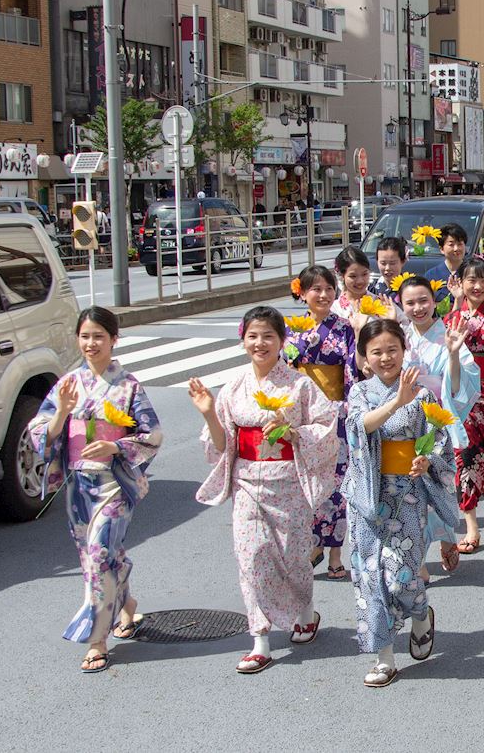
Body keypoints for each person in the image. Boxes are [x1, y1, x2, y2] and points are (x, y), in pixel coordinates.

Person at [188, 306, 340, 674]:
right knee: (251, 559)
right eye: (253, 336)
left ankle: (306, 611)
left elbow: (326, 428)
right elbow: (221, 445)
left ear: (282, 340)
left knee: (294, 556)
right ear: (243, 340)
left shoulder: (299, 385)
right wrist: (208, 412)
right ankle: (260, 639)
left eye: (268, 336)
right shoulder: (234, 387)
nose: (260, 343)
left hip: (288, 481)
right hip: (247, 483)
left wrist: (293, 432)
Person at [28, 306, 163, 673]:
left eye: (99, 336)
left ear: (114, 339)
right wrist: (61, 412)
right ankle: (127, 604)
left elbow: (152, 433)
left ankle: (96, 640)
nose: (91, 343)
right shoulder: (68, 384)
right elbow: (39, 434)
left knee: (99, 555)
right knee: (97, 556)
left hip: (113, 484)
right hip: (78, 486)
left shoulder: (128, 385)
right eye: (85, 336)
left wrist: (115, 446)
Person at [343, 319, 460, 687]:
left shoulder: (423, 396)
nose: (385, 357)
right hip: (367, 496)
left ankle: (421, 614)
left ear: (403, 350)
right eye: (376, 351)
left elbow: (440, 442)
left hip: (406, 493)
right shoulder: (360, 392)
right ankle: (384, 658)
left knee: (401, 577)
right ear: (365, 357)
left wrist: (426, 460)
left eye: (392, 349)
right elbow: (359, 428)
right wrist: (397, 402)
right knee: (369, 577)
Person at [399, 276, 479, 576]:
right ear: (401, 306)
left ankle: (445, 536)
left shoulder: (447, 334)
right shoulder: (399, 338)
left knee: (440, 486)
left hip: (437, 423)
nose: (418, 308)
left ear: (435, 301)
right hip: (405, 422)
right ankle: (418, 558)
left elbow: (460, 386)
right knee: (409, 491)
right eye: (410, 303)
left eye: (424, 300)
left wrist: (454, 353)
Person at [285, 265, 359, 582]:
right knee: (304, 483)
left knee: (336, 484)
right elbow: (282, 371)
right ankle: (311, 544)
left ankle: (335, 554)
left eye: (329, 288)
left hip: (334, 413)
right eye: (316, 289)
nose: (324, 294)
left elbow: (352, 371)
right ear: (302, 293)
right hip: (302, 416)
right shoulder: (291, 329)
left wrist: (349, 409)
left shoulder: (344, 328)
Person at [442, 258, 484, 551]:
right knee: (465, 457)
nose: (478, 286)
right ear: (461, 283)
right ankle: (471, 526)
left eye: (483, 280)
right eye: (472, 280)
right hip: (464, 397)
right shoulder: (453, 318)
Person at [424, 223, 469, 300]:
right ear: (441, 249)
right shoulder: (431, 275)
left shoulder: (472, 272)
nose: (456, 248)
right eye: (451, 245)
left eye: (460, 244)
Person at [370, 236, 408, 302]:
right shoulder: (372, 289)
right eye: (383, 263)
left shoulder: (409, 288)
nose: (387, 268)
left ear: (403, 261)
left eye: (392, 263)